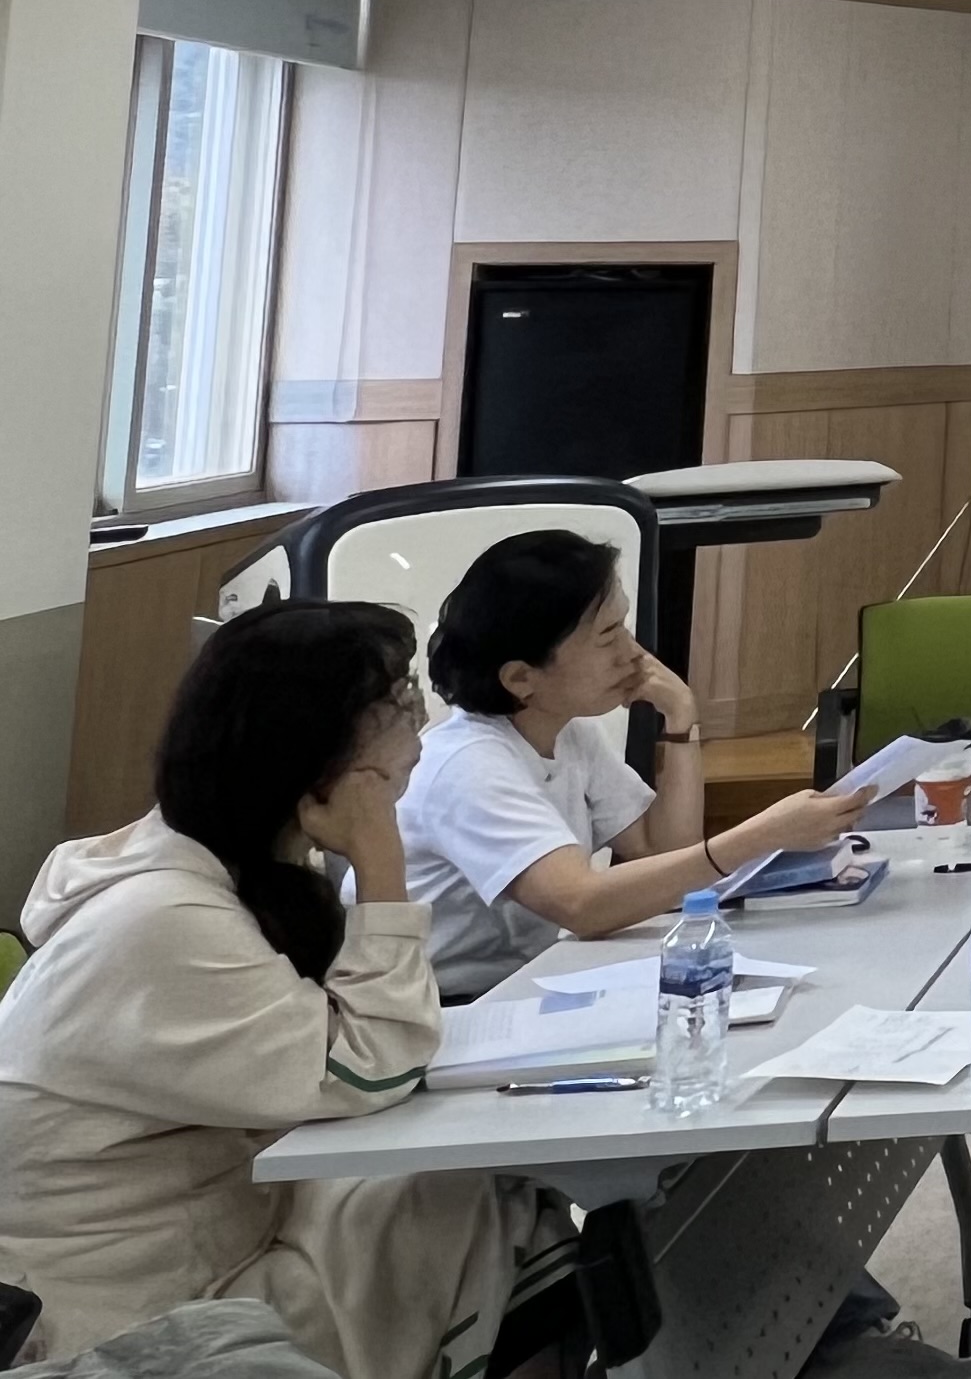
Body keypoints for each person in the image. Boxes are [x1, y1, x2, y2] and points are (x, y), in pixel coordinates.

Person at [0, 602, 568, 1379]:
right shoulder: (162, 918)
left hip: (224, 1227)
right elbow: (373, 1066)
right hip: (128, 1306)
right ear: (319, 751)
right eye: (399, 702)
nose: (420, 722)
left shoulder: (221, 868)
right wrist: (379, 855)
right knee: (461, 1203)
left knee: (480, 1195)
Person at [395, 530, 870, 996]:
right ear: (522, 677)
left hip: (520, 987)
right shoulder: (467, 765)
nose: (634, 654)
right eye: (608, 636)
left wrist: (681, 720)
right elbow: (581, 904)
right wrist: (763, 835)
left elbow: (662, 852)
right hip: (451, 1010)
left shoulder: (568, 731)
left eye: (623, 626)